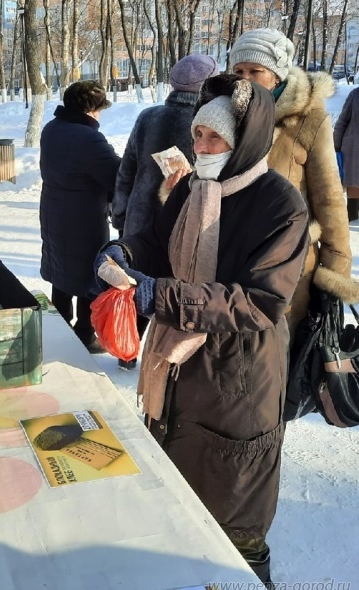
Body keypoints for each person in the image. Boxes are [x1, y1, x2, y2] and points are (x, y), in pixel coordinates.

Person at [93, 74, 309, 590]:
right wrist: (123, 252)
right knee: (180, 495)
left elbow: (260, 302)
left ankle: (250, 586)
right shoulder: (194, 189)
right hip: (180, 367)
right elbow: (154, 242)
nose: (201, 147)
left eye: (214, 138)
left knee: (233, 512)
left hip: (238, 378)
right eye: (198, 135)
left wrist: (161, 297)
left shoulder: (280, 204)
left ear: (244, 142)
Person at [231, 28, 359, 329]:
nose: (245, 79)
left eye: (255, 71)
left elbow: (329, 200)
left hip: (289, 263)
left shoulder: (309, 120)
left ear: (276, 75)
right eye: (238, 71)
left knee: (281, 348)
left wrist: (334, 276)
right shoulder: (226, 114)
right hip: (231, 259)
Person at [112, 54, 217, 369]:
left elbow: (126, 170)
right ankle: (166, 363)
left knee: (135, 284)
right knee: (172, 293)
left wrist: (120, 215)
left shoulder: (149, 117)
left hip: (139, 220)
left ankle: (127, 352)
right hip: (182, 226)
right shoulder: (209, 126)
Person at [39, 80, 120, 352]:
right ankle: (85, 333)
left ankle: (61, 326)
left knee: (61, 271)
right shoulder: (88, 138)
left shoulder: (52, 128)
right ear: (90, 109)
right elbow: (115, 176)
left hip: (53, 211)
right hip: (83, 219)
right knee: (90, 273)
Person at [333, 87, 359, 221]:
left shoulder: (355, 94)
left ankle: (352, 214)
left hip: (353, 146)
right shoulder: (355, 94)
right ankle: (352, 214)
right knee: (353, 181)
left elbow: (342, 121)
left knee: (354, 180)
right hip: (353, 146)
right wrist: (336, 144)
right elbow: (342, 121)